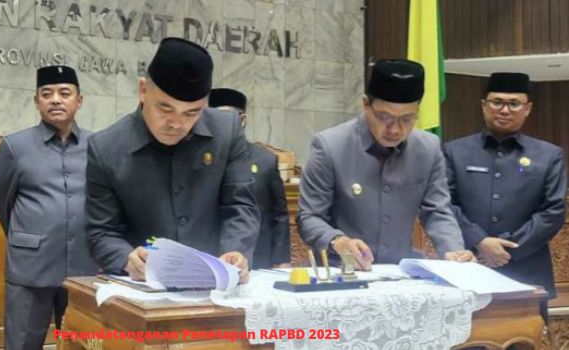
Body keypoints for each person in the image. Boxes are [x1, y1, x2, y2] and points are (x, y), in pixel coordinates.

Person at [86, 38, 259, 283]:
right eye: (165, 109)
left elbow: (240, 204)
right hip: (143, 287)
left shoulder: (227, 131)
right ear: (143, 90)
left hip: (214, 283)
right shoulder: (105, 148)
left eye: (192, 112)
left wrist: (235, 250)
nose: (177, 123)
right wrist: (126, 258)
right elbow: (101, 231)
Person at [298, 59, 475, 270]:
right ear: (366, 105)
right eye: (385, 117)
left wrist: (452, 249)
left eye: (407, 119)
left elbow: (437, 211)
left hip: (399, 272)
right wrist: (339, 241)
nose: (395, 130)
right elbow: (309, 217)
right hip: (341, 270)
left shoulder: (428, 148)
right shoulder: (330, 146)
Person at [0, 65, 98, 349]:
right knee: (23, 343)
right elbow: (1, 200)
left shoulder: (98, 145)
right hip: (31, 265)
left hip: (84, 265)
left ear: (79, 100)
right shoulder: (15, 146)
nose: (55, 100)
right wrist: (27, 236)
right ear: (36, 101)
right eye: (46, 94)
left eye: (64, 93)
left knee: (79, 342)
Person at [443, 72, 566, 321]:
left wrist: (505, 249)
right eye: (497, 102)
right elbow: (444, 204)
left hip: (527, 271)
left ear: (528, 108)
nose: (505, 110)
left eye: (514, 103)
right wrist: (480, 241)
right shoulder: (455, 151)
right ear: (483, 105)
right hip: (469, 266)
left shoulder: (549, 155)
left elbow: (552, 212)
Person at [209, 88, 290, 269]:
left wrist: (281, 259)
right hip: (214, 256)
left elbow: (279, 215)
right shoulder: (202, 160)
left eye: (227, 118)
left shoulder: (265, 159)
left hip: (258, 258)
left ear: (243, 120)